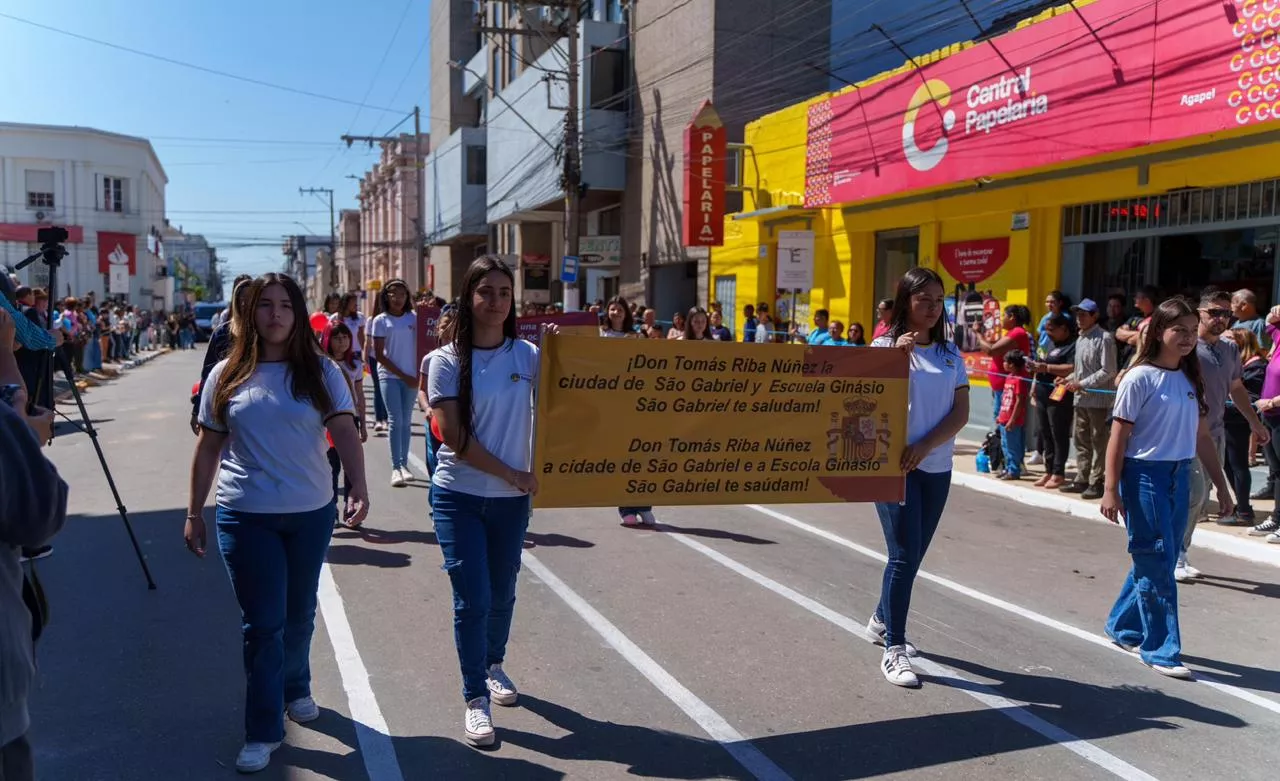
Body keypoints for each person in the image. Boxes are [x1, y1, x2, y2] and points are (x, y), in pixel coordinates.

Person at [186, 273, 369, 773]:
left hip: (310, 514)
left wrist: (358, 484)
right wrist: (193, 513)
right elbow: (207, 449)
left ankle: (297, 686)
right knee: (262, 625)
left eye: (284, 304)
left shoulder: (323, 372)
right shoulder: (226, 374)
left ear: (297, 311)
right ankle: (263, 728)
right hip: (246, 516)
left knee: (298, 613)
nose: (274, 314)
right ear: (249, 314)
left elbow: (345, 432)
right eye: (264, 305)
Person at [427, 257, 540, 746]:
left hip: (512, 502)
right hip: (459, 497)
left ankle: (494, 664)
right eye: (485, 291)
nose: (495, 301)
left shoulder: (531, 356)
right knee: (472, 599)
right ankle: (475, 698)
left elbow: (578, 401)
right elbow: (453, 435)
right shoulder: (446, 362)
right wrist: (513, 472)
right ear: (468, 297)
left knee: (503, 590)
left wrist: (566, 353)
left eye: (504, 292)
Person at [1101, 297, 1233, 679]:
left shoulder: (1192, 378)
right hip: (1144, 477)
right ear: (1159, 331)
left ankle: (1122, 626)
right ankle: (1161, 649)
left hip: (1180, 474)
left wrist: (1222, 487)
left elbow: (1202, 436)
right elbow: (1118, 436)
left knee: (1158, 555)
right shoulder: (1139, 377)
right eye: (1180, 330)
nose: (1188, 337)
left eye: (1193, 331)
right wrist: (1111, 489)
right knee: (1158, 561)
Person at [869, 268, 970, 687]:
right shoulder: (883, 347)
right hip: (895, 468)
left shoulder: (950, 354)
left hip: (935, 467)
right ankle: (894, 647)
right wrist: (896, 356)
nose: (932, 308)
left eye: (938, 300)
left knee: (914, 555)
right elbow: (866, 398)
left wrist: (927, 446)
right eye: (923, 299)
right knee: (904, 555)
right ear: (905, 301)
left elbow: (961, 412)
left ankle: (880, 618)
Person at [1179, 291, 1270, 581]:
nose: (1220, 319)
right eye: (1213, 313)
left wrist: (1255, 423)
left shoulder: (1230, 350)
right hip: (1185, 435)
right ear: (1199, 313)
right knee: (1191, 496)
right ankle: (1172, 555)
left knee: (1201, 499)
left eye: (1225, 314)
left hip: (1215, 433)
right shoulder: (1185, 348)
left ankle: (1180, 552)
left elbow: (1237, 388)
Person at [600, 297, 658, 528]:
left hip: (638, 403)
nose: (616, 312)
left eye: (620, 309)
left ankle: (644, 505)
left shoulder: (636, 336)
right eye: (612, 308)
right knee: (624, 457)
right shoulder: (600, 336)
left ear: (626, 313)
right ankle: (626, 508)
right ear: (608, 312)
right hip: (614, 405)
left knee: (643, 455)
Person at [1061, 299, 1117, 498]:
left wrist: (1081, 383)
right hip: (1081, 399)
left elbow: (1108, 370)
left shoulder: (1105, 338)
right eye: (1078, 314)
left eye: (1084, 314)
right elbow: (1081, 370)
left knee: (1098, 440)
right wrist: (1067, 379)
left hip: (1098, 401)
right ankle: (1082, 477)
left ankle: (1097, 480)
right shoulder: (1081, 338)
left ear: (1095, 316)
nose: (1079, 318)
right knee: (1081, 440)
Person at [370, 279, 418, 487]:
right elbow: (379, 355)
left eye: (402, 294)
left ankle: (405, 465)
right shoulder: (380, 320)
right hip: (389, 376)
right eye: (393, 294)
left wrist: (416, 375)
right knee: (395, 420)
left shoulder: (414, 318)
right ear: (386, 296)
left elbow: (427, 342)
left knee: (406, 421)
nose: (398, 298)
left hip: (412, 377)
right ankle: (395, 468)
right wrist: (403, 375)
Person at [192, 275, 253, 435]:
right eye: (241, 298)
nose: (245, 302)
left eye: (250, 298)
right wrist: (197, 410)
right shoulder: (222, 333)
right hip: (224, 405)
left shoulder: (267, 335)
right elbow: (208, 374)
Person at [322, 322, 368, 525]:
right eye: (336, 338)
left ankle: (352, 508)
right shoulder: (322, 363)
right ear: (327, 340)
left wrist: (363, 423)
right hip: (328, 421)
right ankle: (330, 508)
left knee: (351, 467)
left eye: (345, 338)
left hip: (351, 419)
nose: (342, 342)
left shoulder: (355, 364)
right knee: (331, 466)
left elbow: (359, 394)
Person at [1223, 327, 1266, 526]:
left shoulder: (1256, 366)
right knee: (1227, 464)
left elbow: (1253, 398)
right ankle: (1241, 507)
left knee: (1238, 464)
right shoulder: (1237, 363)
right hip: (1227, 420)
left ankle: (1245, 512)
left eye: (1231, 339)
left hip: (1238, 422)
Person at [1028, 314, 1077, 489]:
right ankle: (1048, 470)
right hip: (1042, 391)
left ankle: (1058, 472)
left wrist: (1047, 368)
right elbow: (1039, 361)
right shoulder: (1047, 343)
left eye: (1052, 330)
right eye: (1046, 330)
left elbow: (1072, 368)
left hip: (1059, 394)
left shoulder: (1072, 345)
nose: (1048, 333)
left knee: (1059, 433)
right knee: (1045, 432)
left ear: (1064, 328)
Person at [1247, 305, 1280, 542]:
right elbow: (1270, 318)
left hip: (1275, 411)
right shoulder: (1278, 339)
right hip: (1270, 417)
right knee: (1277, 471)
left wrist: (1272, 402)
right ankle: (1277, 518)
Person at [977, 305, 1032, 427]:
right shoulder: (1012, 333)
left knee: (1004, 422)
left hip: (1007, 387)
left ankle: (1005, 446)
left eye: (1004, 315)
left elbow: (991, 350)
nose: (1001, 319)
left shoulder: (1017, 333)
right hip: (1001, 386)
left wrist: (978, 334)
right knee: (999, 419)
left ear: (1012, 317)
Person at [995, 350, 1030, 480]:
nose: (1003, 364)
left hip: (1013, 420)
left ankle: (1014, 471)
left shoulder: (1020, 379)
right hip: (1004, 417)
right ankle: (1008, 468)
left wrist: (1012, 419)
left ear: (1012, 364)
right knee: (1005, 445)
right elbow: (1005, 398)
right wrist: (1000, 415)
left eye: (1006, 362)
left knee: (1013, 447)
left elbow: (1020, 401)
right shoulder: (1009, 377)